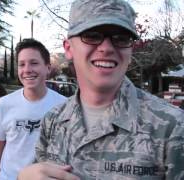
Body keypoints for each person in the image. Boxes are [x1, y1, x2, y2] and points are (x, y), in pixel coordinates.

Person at [18, 0, 184, 179]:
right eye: (92, 35)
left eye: (121, 38)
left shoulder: (172, 127)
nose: (106, 48)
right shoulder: (53, 120)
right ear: (68, 48)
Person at [0, 38, 67, 180]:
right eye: (21, 64)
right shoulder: (4, 104)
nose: (27, 70)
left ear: (48, 68)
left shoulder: (65, 106)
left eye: (34, 63)